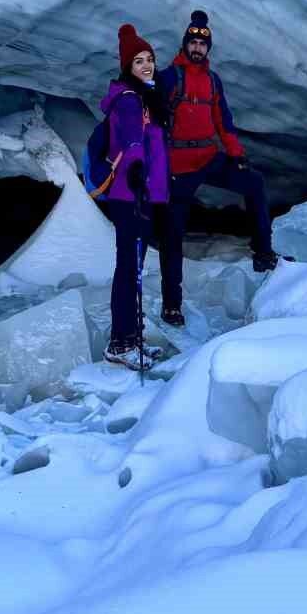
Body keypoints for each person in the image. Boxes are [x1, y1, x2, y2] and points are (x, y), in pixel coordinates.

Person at [157, 9, 277, 327]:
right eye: (193, 43)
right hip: (178, 168)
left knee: (254, 183)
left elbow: (223, 122)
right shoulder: (169, 78)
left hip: (209, 159)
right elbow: (151, 121)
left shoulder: (212, 81)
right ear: (185, 45)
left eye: (202, 44)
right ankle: (172, 305)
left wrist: (236, 154)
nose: (197, 48)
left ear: (208, 49)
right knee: (172, 235)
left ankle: (264, 253)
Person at [99, 23, 171, 369]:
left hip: (139, 195)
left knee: (132, 267)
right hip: (130, 196)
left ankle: (130, 339)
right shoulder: (129, 101)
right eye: (138, 60)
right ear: (127, 66)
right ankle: (120, 344)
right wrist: (138, 172)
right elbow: (130, 144)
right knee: (128, 269)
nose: (146, 65)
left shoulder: (144, 97)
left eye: (149, 59)